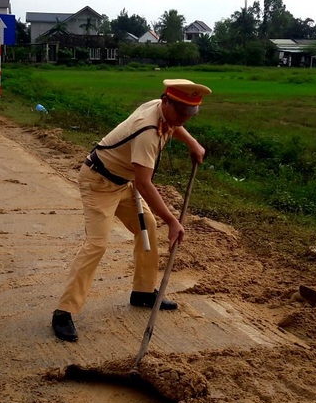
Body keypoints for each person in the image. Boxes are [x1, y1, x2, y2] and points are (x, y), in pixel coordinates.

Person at [51, 79, 211, 342]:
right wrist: (172, 221)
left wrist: (192, 143)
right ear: (166, 101)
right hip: (99, 182)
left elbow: (174, 126)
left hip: (122, 182)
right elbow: (144, 184)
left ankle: (143, 293)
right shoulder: (147, 132)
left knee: (145, 226)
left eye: (189, 114)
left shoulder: (161, 110)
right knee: (97, 245)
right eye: (181, 112)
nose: (184, 119)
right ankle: (63, 311)